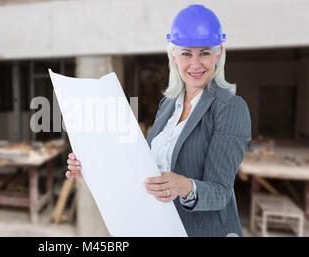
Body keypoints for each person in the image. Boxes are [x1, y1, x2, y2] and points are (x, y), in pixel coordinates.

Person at [65, 4, 251, 237]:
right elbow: (146, 169)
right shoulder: (169, 105)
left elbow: (221, 192)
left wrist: (184, 186)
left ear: (218, 54)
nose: (195, 63)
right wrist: (96, 167)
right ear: (174, 56)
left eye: (204, 52)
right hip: (159, 227)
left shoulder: (230, 108)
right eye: (186, 53)